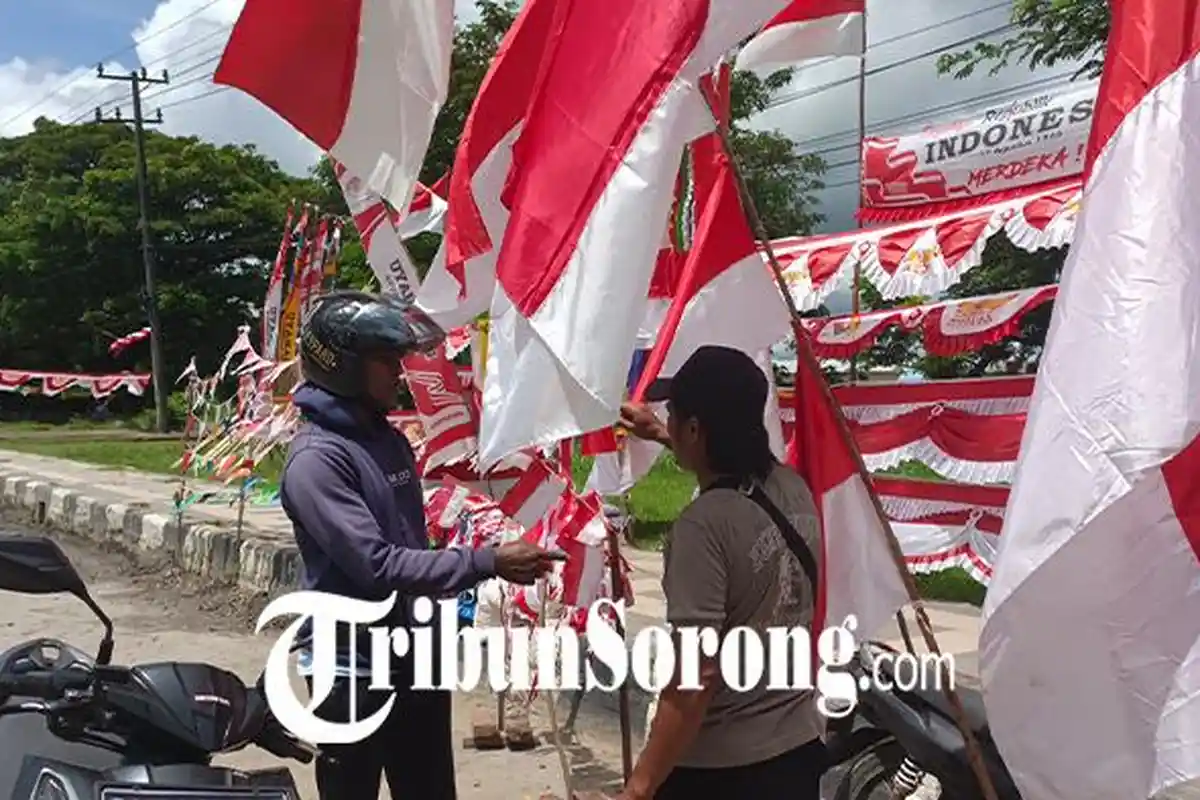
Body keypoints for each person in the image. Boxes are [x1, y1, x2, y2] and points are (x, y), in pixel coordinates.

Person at [280, 291, 561, 800]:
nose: (399, 372)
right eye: (385, 361)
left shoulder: (387, 441)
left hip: (413, 655)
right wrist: (488, 561)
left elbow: (411, 541)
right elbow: (377, 564)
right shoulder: (317, 462)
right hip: (353, 668)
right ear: (342, 367)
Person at [613, 345, 826, 800]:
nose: (666, 422)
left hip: (724, 771)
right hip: (798, 748)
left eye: (672, 415)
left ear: (694, 429)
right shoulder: (792, 488)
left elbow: (695, 677)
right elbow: (731, 467)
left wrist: (639, 788)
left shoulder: (702, 526)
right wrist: (659, 435)